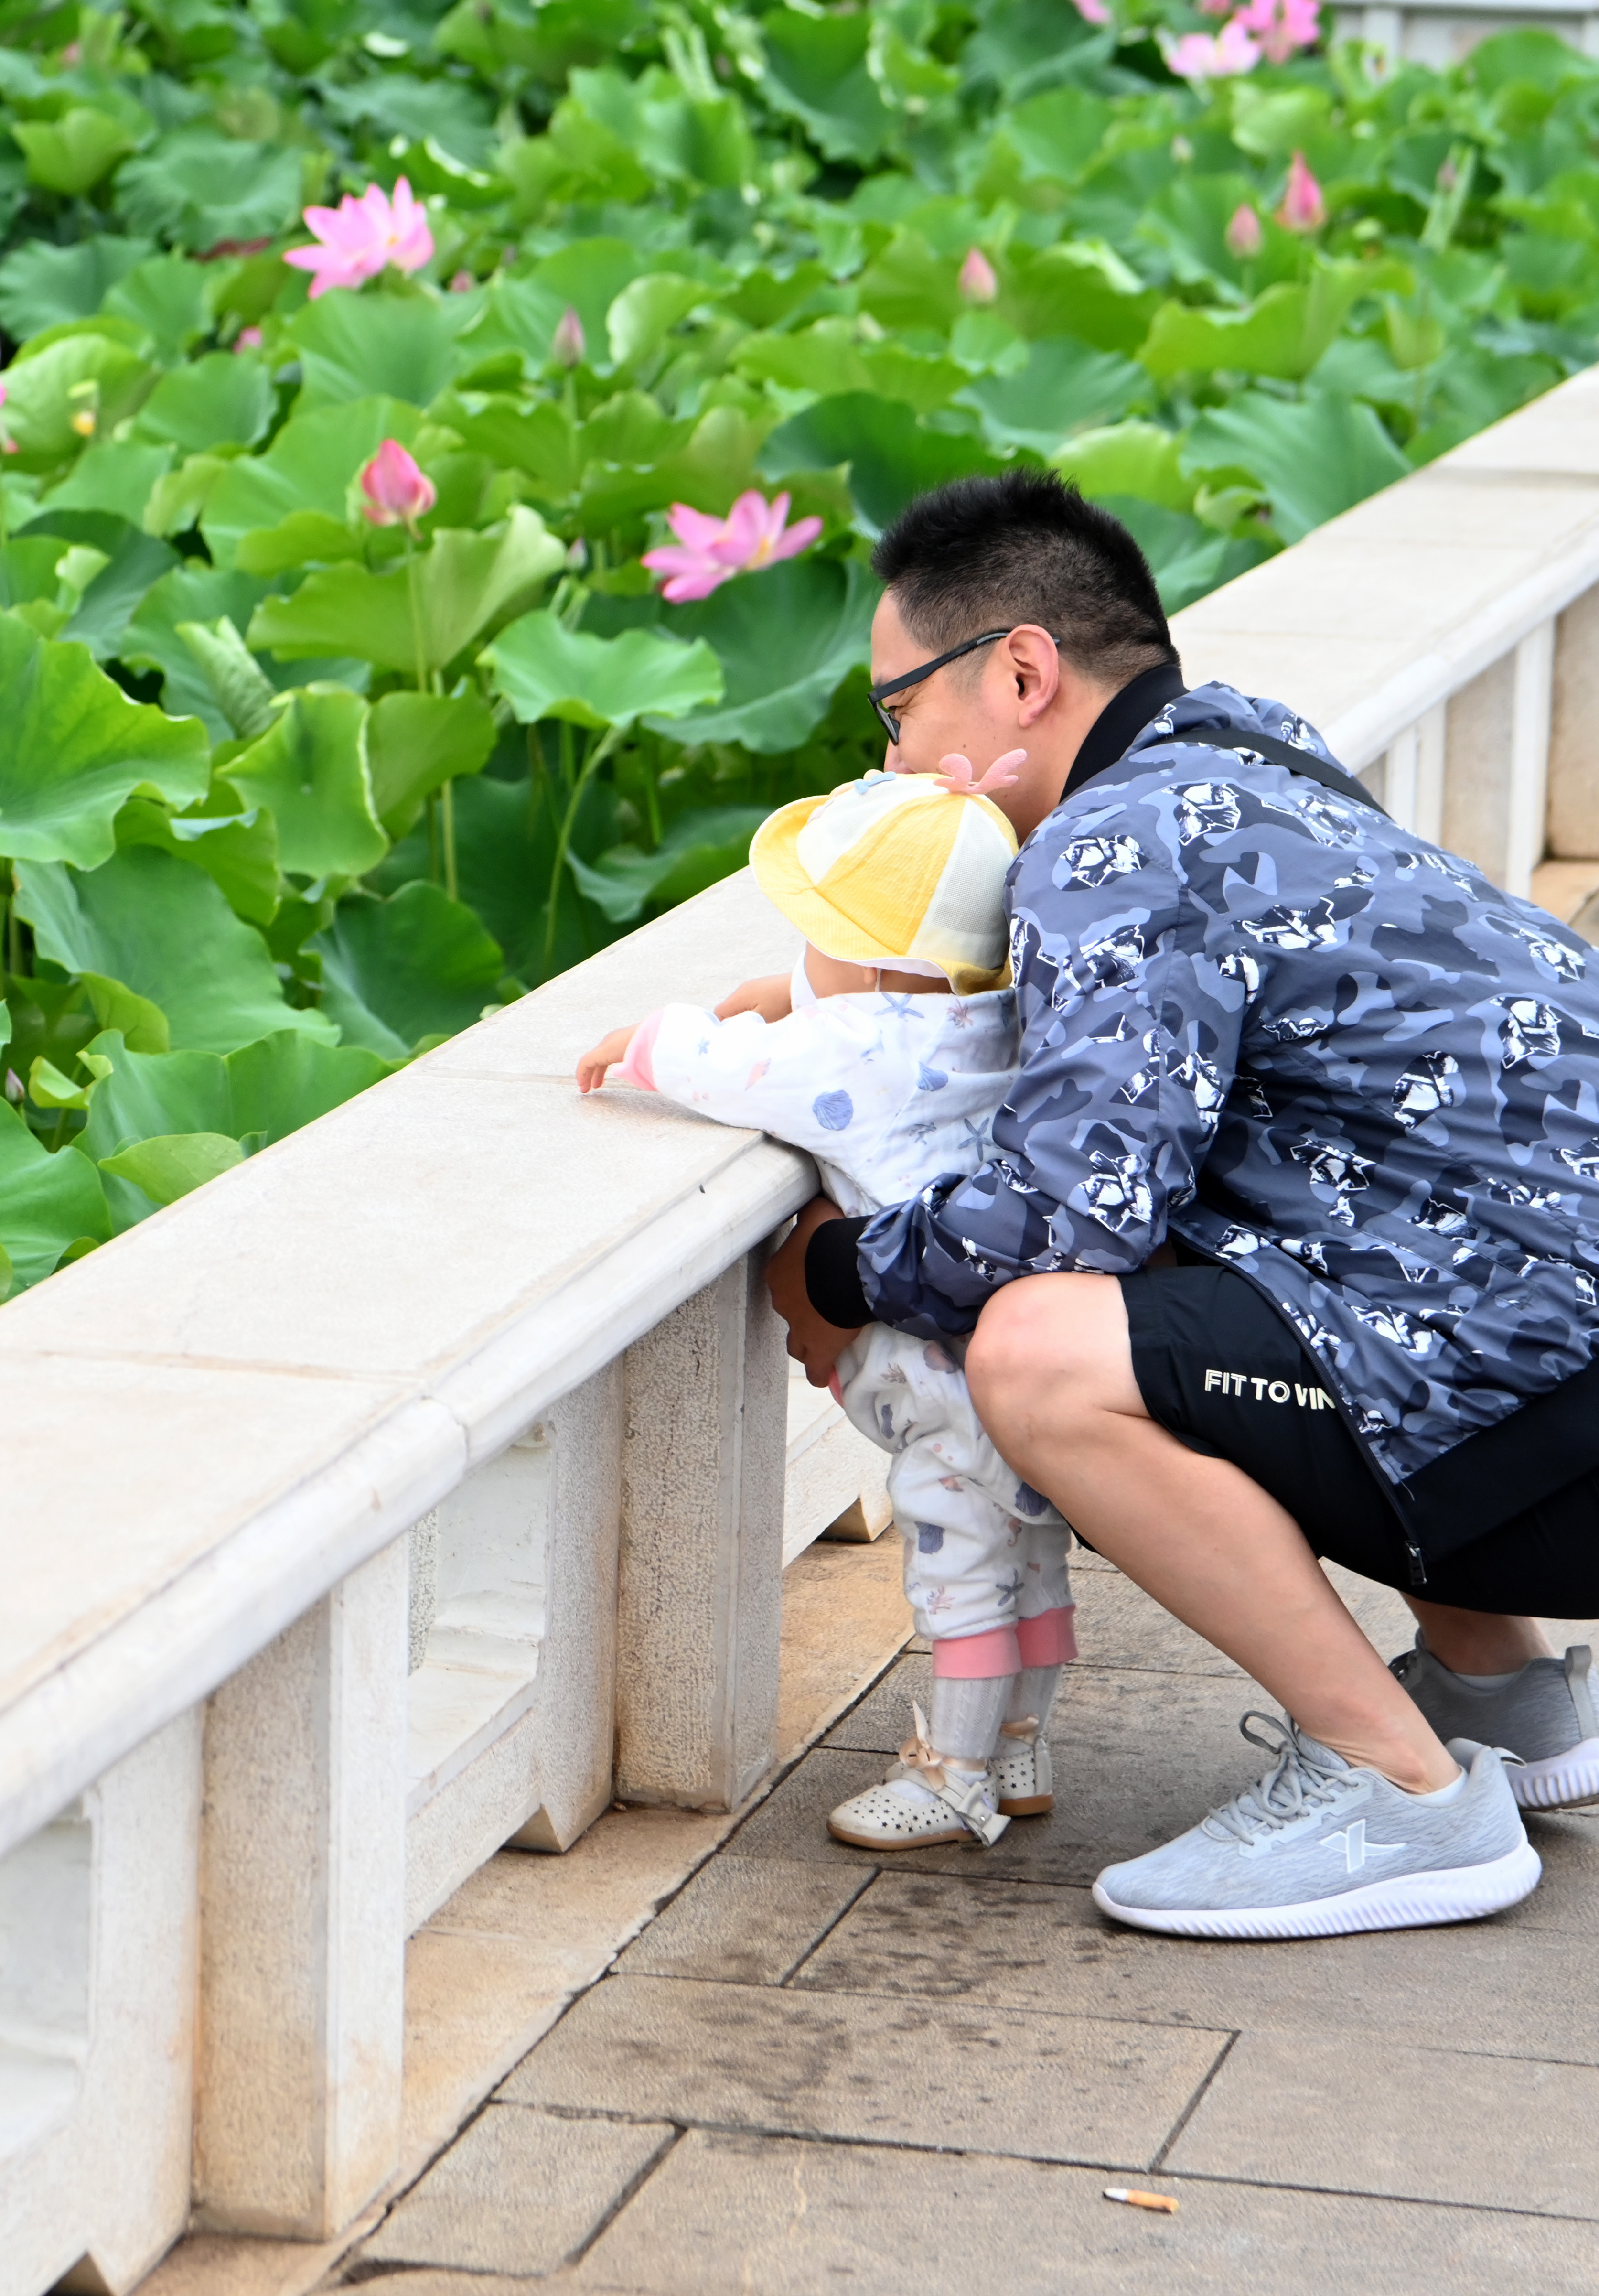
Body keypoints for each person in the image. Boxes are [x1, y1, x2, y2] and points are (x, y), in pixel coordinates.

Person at [762, 469, 1599, 1941]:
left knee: (1043, 1351)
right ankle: (1498, 1692)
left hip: (1557, 1426)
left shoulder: (1106, 847)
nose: (890, 760)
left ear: (1017, 671)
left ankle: (1394, 1787)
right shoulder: (1243, 758)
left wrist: (833, 1269)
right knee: (1253, 1261)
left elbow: (1054, 1221)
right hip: (1552, 1368)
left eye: (894, 712)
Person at [578, 761, 1079, 1851]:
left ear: (860, 956)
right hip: (1024, 1359)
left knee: (959, 1576)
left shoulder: (854, 1053)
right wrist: (794, 995)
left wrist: (650, 1042)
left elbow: (740, 1071)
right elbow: (854, 1019)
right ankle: (1023, 1748)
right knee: (1030, 1559)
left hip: (941, 1388)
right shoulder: (985, 1025)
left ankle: (953, 1776)